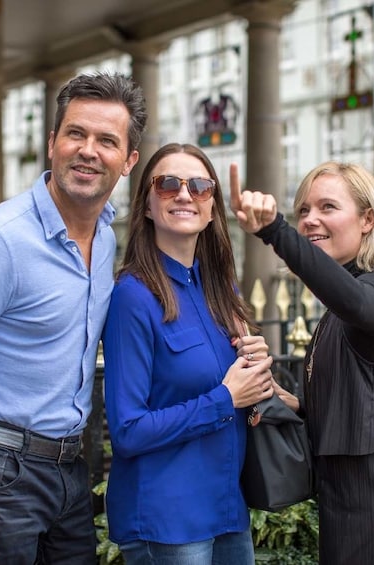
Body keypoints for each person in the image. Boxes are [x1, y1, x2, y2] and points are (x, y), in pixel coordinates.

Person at [0, 72, 147, 564]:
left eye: (107, 141)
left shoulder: (104, 239)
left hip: (68, 470)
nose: (88, 150)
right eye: (76, 134)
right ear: (51, 143)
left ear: (128, 161)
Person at [230, 161, 374, 564]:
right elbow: (364, 415)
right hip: (357, 522)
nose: (311, 219)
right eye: (303, 210)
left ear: (368, 220)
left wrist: (275, 231)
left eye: (327, 207)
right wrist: (295, 405)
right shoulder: (337, 314)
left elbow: (356, 302)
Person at [101, 143, 275, 565]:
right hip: (169, 520)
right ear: (145, 204)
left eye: (199, 186)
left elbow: (241, 401)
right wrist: (225, 398)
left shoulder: (222, 292)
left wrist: (259, 380)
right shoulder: (133, 298)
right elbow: (127, 430)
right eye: (167, 184)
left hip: (227, 509)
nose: (184, 194)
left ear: (212, 207)